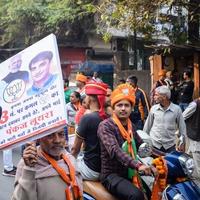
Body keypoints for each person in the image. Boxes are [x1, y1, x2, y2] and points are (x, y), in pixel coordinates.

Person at [97, 83, 153, 200]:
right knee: (136, 196)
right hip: (111, 175)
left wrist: (165, 157)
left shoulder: (130, 125)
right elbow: (115, 150)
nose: (123, 108)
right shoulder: (105, 126)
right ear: (113, 108)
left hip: (129, 172)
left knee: (150, 192)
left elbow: (141, 144)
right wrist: (138, 165)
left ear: (132, 108)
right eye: (119, 105)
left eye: (127, 105)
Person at [12, 127, 83, 200]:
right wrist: (29, 169)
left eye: (61, 134)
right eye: (50, 135)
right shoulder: (27, 163)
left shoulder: (70, 159)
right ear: (38, 138)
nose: (57, 140)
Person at [71, 82, 108, 180]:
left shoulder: (87, 118)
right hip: (106, 169)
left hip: (91, 170)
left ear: (91, 98)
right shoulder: (108, 116)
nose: (85, 99)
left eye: (86, 96)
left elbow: (75, 149)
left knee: (61, 169)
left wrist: (69, 162)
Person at [143, 85, 186, 153]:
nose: (154, 97)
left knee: (169, 163)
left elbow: (182, 128)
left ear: (164, 97)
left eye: (156, 95)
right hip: (154, 144)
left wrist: (182, 143)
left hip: (170, 146)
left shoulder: (176, 109)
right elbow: (147, 126)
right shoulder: (153, 109)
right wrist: (144, 141)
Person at [182, 97, 200, 182]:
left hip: (195, 136)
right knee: (197, 167)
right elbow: (182, 117)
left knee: (189, 157)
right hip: (195, 137)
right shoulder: (195, 104)